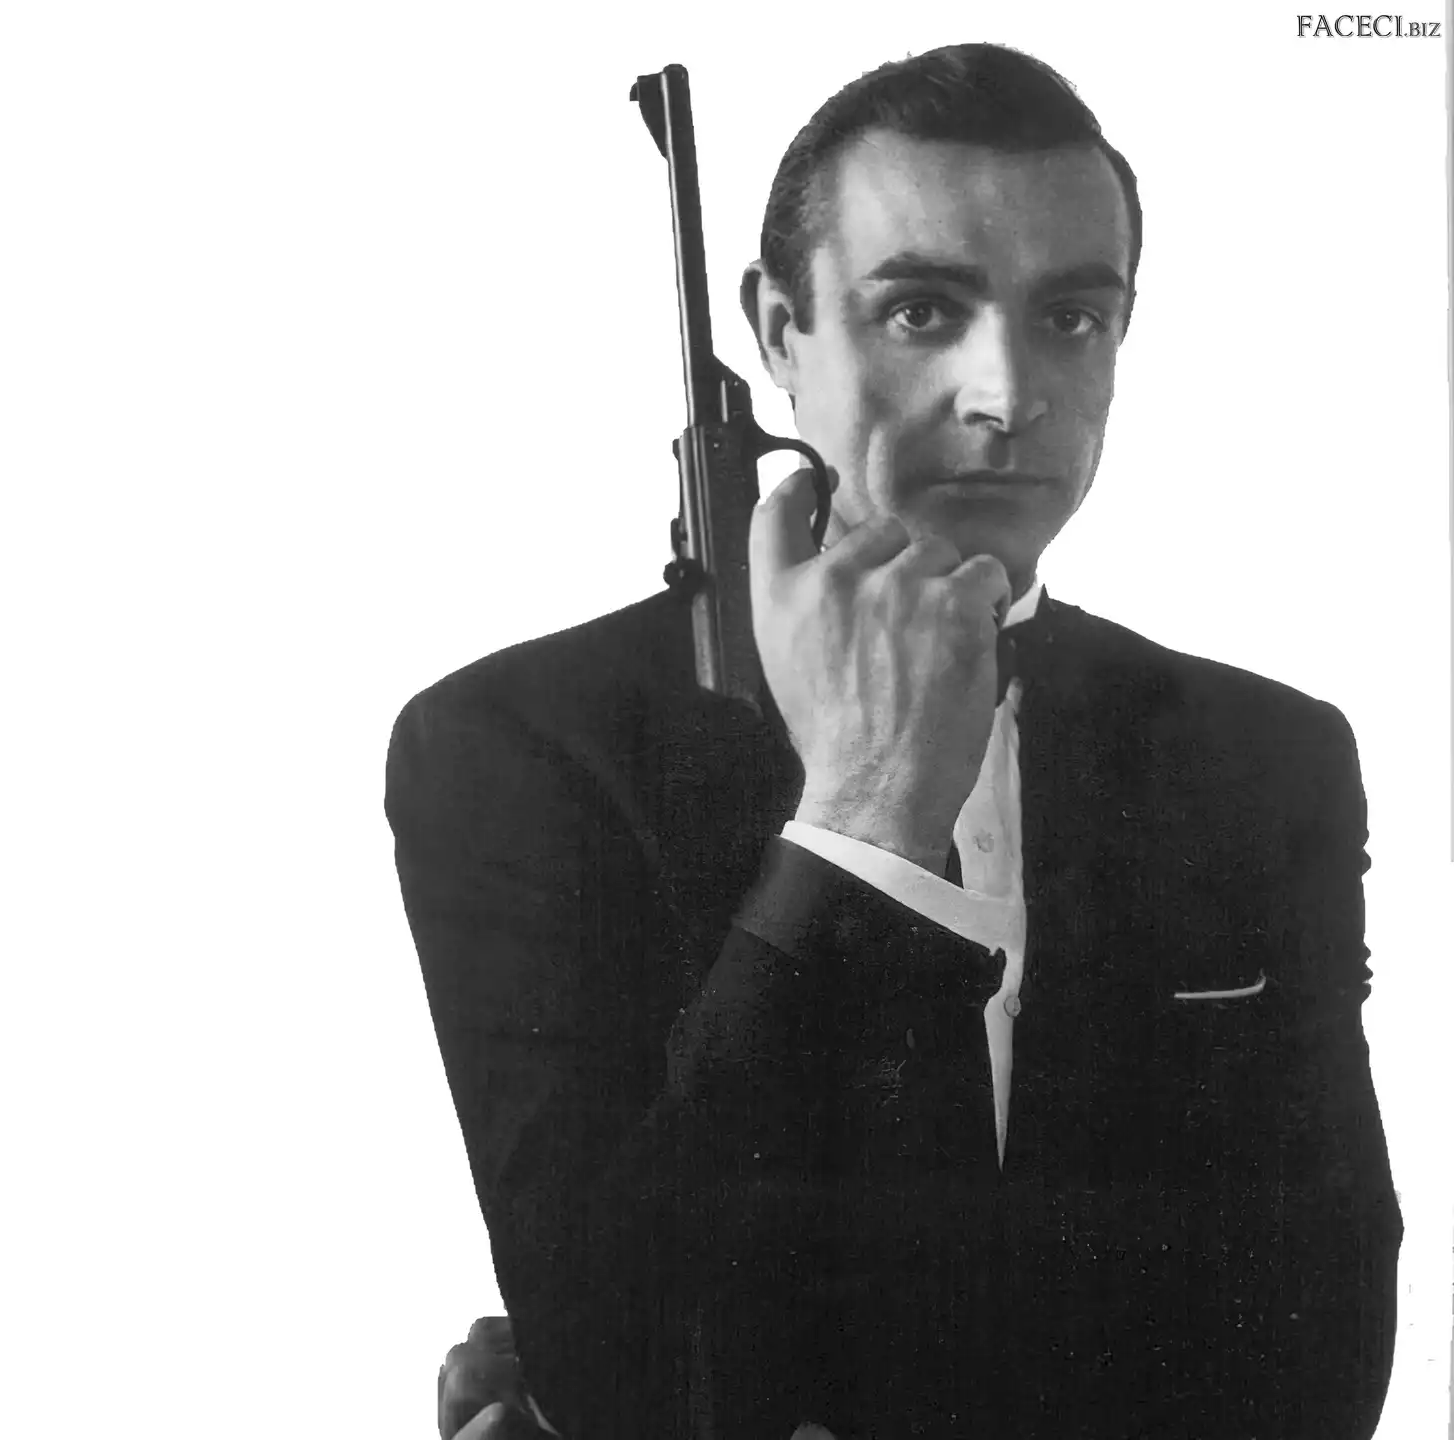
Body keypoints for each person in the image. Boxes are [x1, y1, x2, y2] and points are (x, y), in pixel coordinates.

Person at [387, 42, 1401, 1440]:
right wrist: (863, 824)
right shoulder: (513, 747)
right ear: (778, 332)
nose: (1006, 393)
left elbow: (1317, 1360)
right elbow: (633, 1378)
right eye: (921, 310)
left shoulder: (1266, 758)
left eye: (1072, 317)